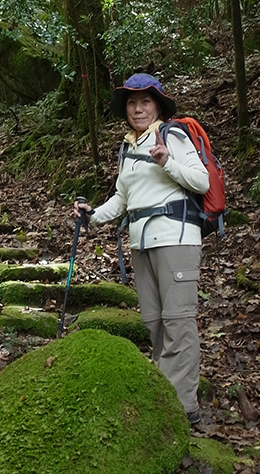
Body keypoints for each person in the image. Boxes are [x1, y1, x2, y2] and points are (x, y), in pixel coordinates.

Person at [74, 74, 210, 425]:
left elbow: (201, 181)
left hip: (176, 239)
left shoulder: (172, 135)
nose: (138, 109)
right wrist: (92, 215)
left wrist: (168, 162)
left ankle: (184, 409)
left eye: (145, 102)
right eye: (132, 103)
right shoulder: (129, 147)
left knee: (178, 322)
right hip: (142, 243)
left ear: (157, 106)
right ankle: (167, 395)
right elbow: (122, 199)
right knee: (154, 323)